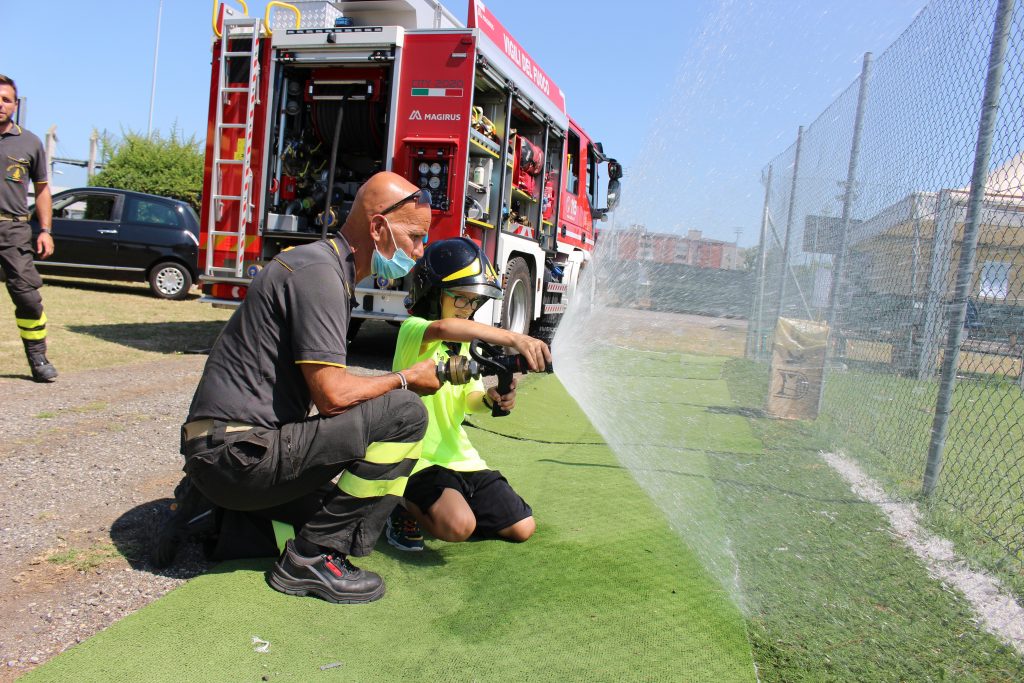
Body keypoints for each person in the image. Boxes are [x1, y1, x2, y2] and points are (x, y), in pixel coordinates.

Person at [178, 172, 442, 604]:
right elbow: (333, 396)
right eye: (414, 237)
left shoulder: (319, 264)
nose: (419, 251)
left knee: (335, 506)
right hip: (235, 455)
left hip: (222, 453)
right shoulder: (320, 274)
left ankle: (214, 515)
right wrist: (407, 378)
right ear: (377, 228)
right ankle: (311, 561)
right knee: (406, 413)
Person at [386, 237, 550, 552]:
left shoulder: (464, 345)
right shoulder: (414, 330)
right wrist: (514, 337)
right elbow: (445, 328)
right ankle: (398, 503)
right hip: (418, 460)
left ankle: (448, 506)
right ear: (433, 293)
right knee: (459, 526)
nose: (469, 309)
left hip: (460, 458)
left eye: (473, 301)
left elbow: (469, 401)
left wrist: (491, 399)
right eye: (461, 298)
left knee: (522, 527)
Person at [0, 75, 56, 382]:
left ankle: (38, 359)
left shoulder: (30, 142)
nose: (1, 104)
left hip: (13, 230)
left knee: (28, 297)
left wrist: (45, 230)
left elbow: (43, 189)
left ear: (15, 104)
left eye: (6, 100)